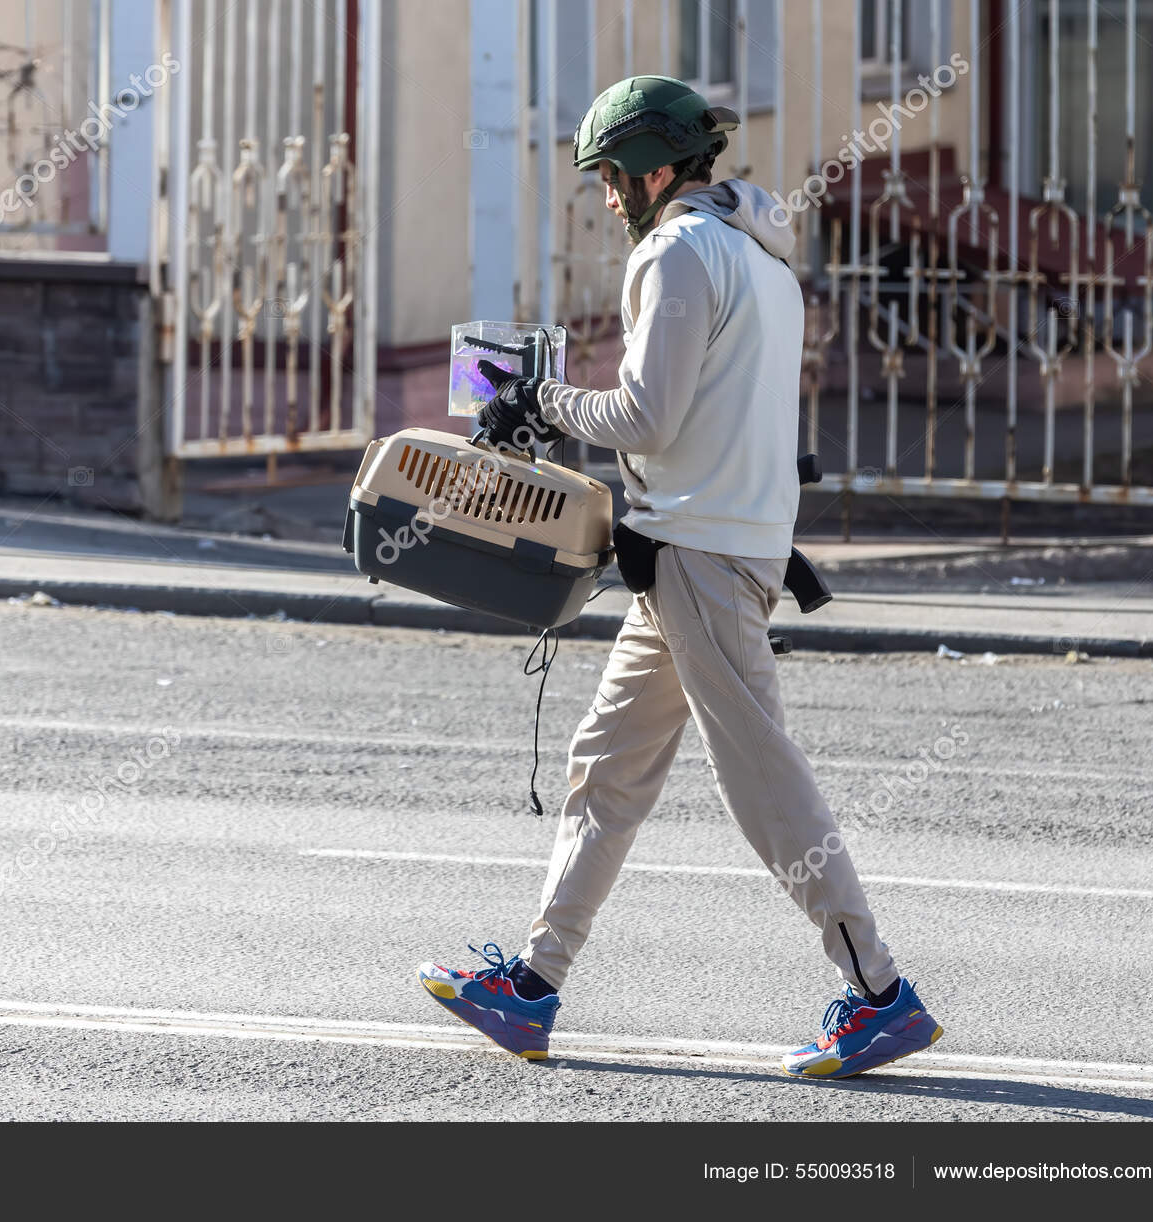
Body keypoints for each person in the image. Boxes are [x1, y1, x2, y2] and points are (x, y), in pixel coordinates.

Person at [416, 75, 943, 1079]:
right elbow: (711, 422)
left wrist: (538, 397)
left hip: (700, 557)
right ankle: (531, 987)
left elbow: (646, 417)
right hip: (703, 552)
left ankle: (879, 990)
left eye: (612, 176)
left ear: (658, 169)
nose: (607, 197)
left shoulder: (677, 252)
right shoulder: (759, 257)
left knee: (763, 782)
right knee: (605, 762)